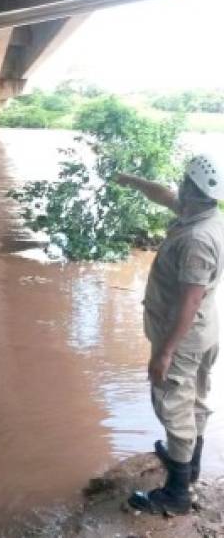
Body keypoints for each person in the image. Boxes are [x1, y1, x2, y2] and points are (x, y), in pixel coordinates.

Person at [115, 152, 224, 516]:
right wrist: (132, 180)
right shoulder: (206, 214)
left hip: (184, 338)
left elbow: (190, 300)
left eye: (182, 182)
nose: (176, 187)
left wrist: (164, 352)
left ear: (190, 190)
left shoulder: (196, 238)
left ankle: (177, 492)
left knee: (175, 407)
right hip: (206, 332)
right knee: (197, 399)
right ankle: (189, 463)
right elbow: (163, 195)